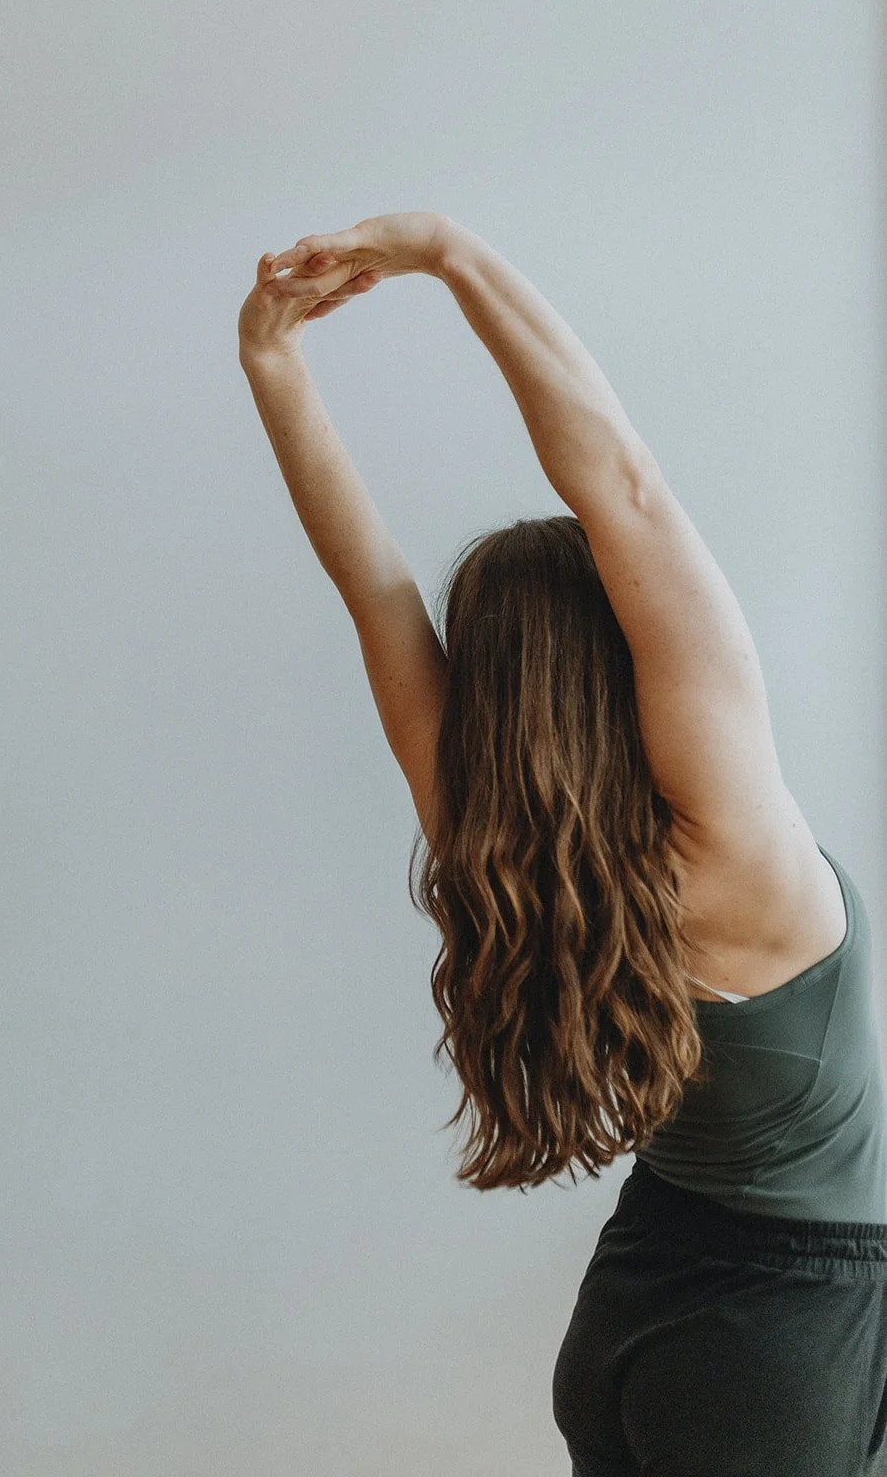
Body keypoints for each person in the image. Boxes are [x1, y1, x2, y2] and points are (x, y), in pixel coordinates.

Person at [237, 212, 887, 1475]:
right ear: (623, 647)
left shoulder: (496, 844)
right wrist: (448, 252)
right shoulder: (731, 840)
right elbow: (620, 486)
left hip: (635, 1293)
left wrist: (272, 361)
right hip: (784, 1338)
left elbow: (373, 592)